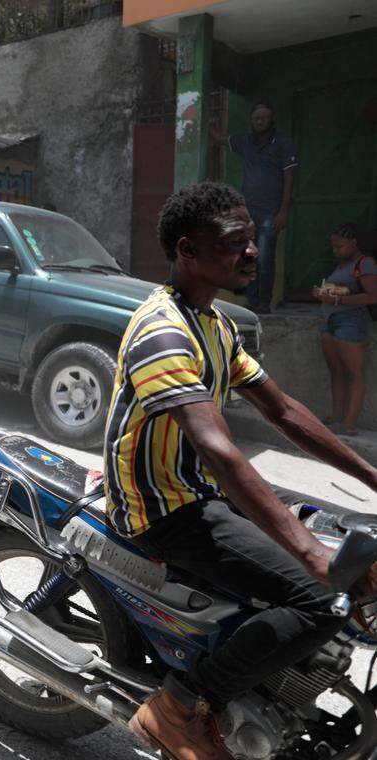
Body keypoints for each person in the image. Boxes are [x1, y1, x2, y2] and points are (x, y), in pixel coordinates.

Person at [105, 182, 377, 760]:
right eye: (236, 242)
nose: (252, 252)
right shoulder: (163, 331)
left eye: (252, 240)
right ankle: (179, 707)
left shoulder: (215, 325)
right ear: (188, 250)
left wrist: (372, 477)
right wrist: (311, 556)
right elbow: (220, 452)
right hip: (163, 509)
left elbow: (284, 411)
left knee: (338, 541)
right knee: (321, 599)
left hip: (198, 491)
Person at [210, 101, 298, 313]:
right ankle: (252, 301)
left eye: (264, 118)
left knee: (265, 259)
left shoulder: (282, 143)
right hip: (248, 212)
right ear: (252, 120)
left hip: (271, 212)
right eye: (257, 118)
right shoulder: (245, 142)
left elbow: (289, 178)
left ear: (271, 120)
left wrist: (283, 211)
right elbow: (219, 139)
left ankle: (264, 303)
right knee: (247, 256)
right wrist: (210, 123)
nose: (260, 122)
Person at [313, 222, 377, 436]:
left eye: (339, 246)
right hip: (331, 321)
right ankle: (336, 417)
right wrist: (323, 294)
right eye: (333, 246)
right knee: (337, 372)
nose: (335, 251)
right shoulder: (342, 265)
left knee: (354, 373)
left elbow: (372, 296)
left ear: (353, 243)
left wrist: (337, 300)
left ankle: (349, 424)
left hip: (351, 323)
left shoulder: (365, 264)